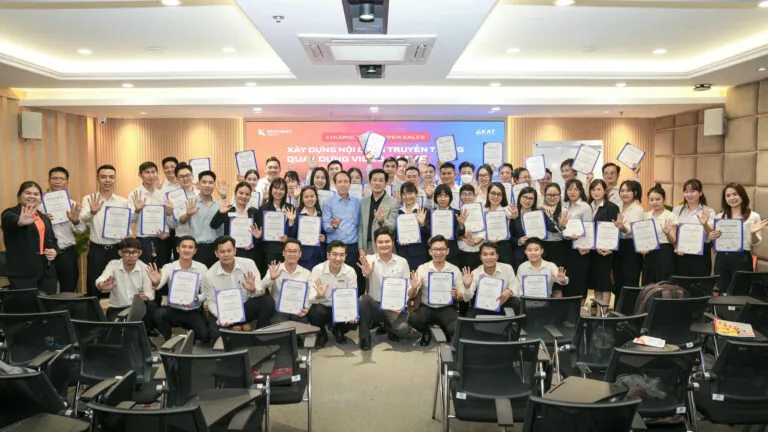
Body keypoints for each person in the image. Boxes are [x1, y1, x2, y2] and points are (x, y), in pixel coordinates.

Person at [201, 236, 275, 341]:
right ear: (216, 253)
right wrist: (222, 317)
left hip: (244, 308)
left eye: (229, 251)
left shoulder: (248, 264)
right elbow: (211, 302)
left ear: (235, 251)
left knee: (268, 301)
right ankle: (237, 333)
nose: (226, 254)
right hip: (224, 311)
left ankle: (259, 337)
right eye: (222, 252)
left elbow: (261, 291)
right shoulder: (209, 275)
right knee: (214, 333)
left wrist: (253, 289)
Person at [409, 235, 473, 345]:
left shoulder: (454, 270)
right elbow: (411, 295)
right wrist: (414, 287)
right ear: (430, 252)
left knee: (456, 328)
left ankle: (444, 328)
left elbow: (463, 297)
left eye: (442, 249)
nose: (438, 253)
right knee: (414, 319)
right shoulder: (423, 268)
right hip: (427, 307)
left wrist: (458, 295)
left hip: (446, 308)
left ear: (447, 251)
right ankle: (426, 332)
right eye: (435, 249)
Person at [357, 227, 414, 351]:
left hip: (395, 307)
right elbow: (366, 272)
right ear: (375, 244)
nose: (384, 245)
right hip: (376, 306)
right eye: (380, 242)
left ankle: (389, 326)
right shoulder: (369, 259)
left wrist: (403, 304)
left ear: (393, 243)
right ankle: (364, 337)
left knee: (403, 329)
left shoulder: (402, 262)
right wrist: (367, 272)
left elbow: (407, 286)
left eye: (387, 241)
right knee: (363, 300)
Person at [148, 236, 210, 343]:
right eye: (184, 247)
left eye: (190, 247)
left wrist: (196, 298)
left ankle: (191, 333)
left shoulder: (202, 268)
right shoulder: (169, 267)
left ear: (195, 251)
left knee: (204, 337)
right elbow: (159, 285)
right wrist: (156, 281)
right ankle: (169, 337)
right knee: (158, 314)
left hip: (193, 310)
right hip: (174, 310)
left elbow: (206, 293)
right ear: (177, 249)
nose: (187, 250)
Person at [80, 165, 130, 297]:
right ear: (97, 179)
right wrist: (92, 212)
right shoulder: (89, 199)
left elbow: (126, 224)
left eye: (111, 177)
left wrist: (127, 235)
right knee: (93, 285)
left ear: (115, 179)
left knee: (118, 285)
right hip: (97, 249)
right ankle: (94, 310)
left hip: (117, 249)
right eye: (103, 177)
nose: (107, 180)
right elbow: (82, 219)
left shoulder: (123, 202)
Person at [2, 181, 59, 293]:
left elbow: (52, 240)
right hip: (22, 274)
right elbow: (11, 221)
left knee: (47, 303)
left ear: (40, 198)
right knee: (26, 304)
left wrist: (54, 251)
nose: (32, 196)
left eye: (36, 194)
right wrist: (20, 222)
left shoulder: (44, 218)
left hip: (47, 273)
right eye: (28, 193)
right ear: (19, 196)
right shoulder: (9, 213)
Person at [711, 183, 768, 290]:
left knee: (740, 293)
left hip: (742, 259)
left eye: (735, 194)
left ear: (742, 195)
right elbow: (716, 242)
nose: (732, 198)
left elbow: (755, 243)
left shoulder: (753, 216)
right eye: (728, 196)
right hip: (722, 259)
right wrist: (712, 237)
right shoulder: (720, 216)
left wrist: (753, 233)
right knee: (721, 293)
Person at [95, 238, 157, 331]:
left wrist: (146, 297)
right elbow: (101, 279)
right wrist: (102, 285)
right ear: (120, 253)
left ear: (140, 253)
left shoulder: (145, 268)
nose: (131, 256)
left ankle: (146, 333)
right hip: (117, 308)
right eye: (127, 252)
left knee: (151, 305)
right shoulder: (113, 265)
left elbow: (150, 293)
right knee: (116, 333)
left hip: (137, 308)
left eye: (134, 252)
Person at [308, 241, 360, 346]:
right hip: (324, 307)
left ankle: (338, 330)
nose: (338, 258)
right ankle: (322, 334)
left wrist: (352, 313)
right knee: (314, 312)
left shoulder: (350, 271)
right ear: (328, 255)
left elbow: (352, 297)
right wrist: (319, 295)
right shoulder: (317, 270)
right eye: (334, 254)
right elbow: (310, 298)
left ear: (345, 256)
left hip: (342, 308)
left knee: (356, 319)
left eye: (342, 255)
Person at [170, 170, 226, 267]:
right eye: (204, 182)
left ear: (214, 185)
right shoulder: (191, 202)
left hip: (216, 248)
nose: (207, 185)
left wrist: (224, 198)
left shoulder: (219, 205)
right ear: (198, 185)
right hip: (198, 247)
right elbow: (181, 221)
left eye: (210, 183)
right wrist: (188, 214)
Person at [45, 167, 85, 293]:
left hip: (67, 252)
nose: (58, 181)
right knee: (47, 290)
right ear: (49, 181)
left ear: (67, 181)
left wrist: (75, 221)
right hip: (46, 254)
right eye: (55, 178)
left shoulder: (73, 204)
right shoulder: (39, 204)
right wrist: (42, 220)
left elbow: (81, 230)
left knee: (68, 290)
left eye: (61, 179)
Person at [129, 161, 170, 271]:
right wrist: (137, 210)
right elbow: (131, 220)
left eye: (153, 172)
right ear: (140, 175)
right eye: (147, 172)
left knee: (161, 270)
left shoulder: (162, 194)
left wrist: (166, 232)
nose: (151, 175)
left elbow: (165, 217)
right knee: (145, 271)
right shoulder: (134, 194)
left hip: (161, 238)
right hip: (143, 239)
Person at [322, 171, 362, 282]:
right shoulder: (328, 202)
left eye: (345, 181)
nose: (343, 184)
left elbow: (359, 224)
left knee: (352, 278)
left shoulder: (356, 202)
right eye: (339, 182)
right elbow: (325, 225)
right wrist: (333, 226)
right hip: (335, 248)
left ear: (350, 183)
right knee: (334, 279)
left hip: (353, 247)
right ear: (335, 184)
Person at [262, 239, 312, 326]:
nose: (292, 254)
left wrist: (306, 308)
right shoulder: (274, 269)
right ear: (283, 253)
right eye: (289, 251)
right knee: (281, 331)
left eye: (295, 251)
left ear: (300, 254)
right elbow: (262, 286)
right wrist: (271, 278)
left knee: (304, 331)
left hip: (299, 311)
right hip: (279, 311)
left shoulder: (306, 273)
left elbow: (309, 294)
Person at [673, 179, 715, 277]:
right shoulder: (677, 210)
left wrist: (704, 224)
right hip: (682, 254)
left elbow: (711, 234)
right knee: (682, 283)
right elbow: (674, 233)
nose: (689, 195)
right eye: (686, 192)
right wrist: (676, 246)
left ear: (700, 193)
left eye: (692, 191)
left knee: (700, 283)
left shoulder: (708, 211)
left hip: (701, 254)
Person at [588, 179, 620, 306]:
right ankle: (598, 312)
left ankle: (603, 313)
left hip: (604, 250)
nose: (596, 192)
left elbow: (614, 229)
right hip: (591, 250)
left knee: (604, 281)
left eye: (599, 189)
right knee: (596, 282)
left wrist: (610, 248)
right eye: (593, 189)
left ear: (605, 191)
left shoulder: (611, 207)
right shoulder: (588, 206)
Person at [468, 242, 521, 315]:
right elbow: (468, 297)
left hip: (503, 302)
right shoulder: (475, 273)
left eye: (492, 254)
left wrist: (509, 291)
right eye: (485, 254)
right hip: (483, 305)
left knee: (515, 303)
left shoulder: (507, 268)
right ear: (480, 257)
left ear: (497, 256)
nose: (489, 257)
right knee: (470, 315)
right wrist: (467, 286)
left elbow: (515, 287)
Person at [510, 187, 556, 271]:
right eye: (525, 197)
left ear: (534, 201)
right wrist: (518, 241)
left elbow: (552, 228)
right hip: (520, 256)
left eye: (531, 198)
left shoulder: (539, 213)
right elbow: (510, 236)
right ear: (520, 197)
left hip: (538, 255)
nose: (527, 201)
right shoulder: (513, 214)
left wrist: (560, 224)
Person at [209, 182, 259, 260]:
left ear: (250, 196)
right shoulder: (228, 209)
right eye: (241, 193)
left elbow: (258, 234)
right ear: (235, 194)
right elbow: (213, 225)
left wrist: (254, 243)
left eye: (247, 194)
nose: (243, 196)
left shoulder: (255, 212)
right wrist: (220, 212)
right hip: (229, 253)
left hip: (249, 253)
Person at [561, 179, 593, 299]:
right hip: (565, 246)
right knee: (567, 281)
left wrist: (581, 246)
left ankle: (579, 310)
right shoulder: (564, 206)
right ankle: (567, 310)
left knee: (578, 281)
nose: (572, 192)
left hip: (579, 248)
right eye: (569, 189)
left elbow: (588, 229)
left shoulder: (585, 207)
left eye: (575, 189)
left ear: (581, 191)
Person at [612, 180, 645, 295]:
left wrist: (623, 228)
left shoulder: (638, 210)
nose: (624, 193)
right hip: (618, 245)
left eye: (628, 191)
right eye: (622, 191)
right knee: (618, 280)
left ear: (635, 193)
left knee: (630, 281)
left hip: (631, 246)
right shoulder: (617, 207)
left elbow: (633, 230)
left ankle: (629, 307)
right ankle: (618, 306)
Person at [641, 184, 678, 284]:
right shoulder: (646, 216)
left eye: (658, 199)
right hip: (649, 254)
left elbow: (673, 240)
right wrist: (642, 247)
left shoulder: (670, 215)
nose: (654, 202)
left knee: (664, 285)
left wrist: (667, 233)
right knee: (648, 285)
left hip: (665, 254)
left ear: (664, 200)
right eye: (651, 199)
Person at [358, 169, 399, 257]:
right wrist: (361, 248)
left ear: (386, 183)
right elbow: (361, 227)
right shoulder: (363, 201)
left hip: (385, 247)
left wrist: (381, 221)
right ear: (370, 182)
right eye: (374, 180)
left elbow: (392, 226)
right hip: (367, 248)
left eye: (381, 180)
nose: (377, 183)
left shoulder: (394, 202)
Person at [286, 186, 327, 271]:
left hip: (320, 256)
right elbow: (291, 235)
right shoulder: (296, 214)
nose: (309, 199)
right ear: (302, 199)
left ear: (316, 197)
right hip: (304, 256)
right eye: (306, 197)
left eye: (312, 196)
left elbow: (326, 232)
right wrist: (291, 221)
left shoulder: (321, 214)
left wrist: (324, 238)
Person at [396, 181, 431, 271]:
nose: (408, 197)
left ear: (416, 194)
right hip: (402, 253)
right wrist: (399, 239)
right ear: (401, 196)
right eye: (404, 194)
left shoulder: (423, 211)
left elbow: (429, 234)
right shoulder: (398, 212)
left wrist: (422, 224)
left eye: (410, 193)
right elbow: (394, 233)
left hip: (420, 254)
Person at [432, 184, 467, 268]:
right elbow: (426, 232)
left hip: (452, 253)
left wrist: (461, 225)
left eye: (446, 196)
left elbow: (459, 234)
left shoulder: (457, 213)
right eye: (439, 196)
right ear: (435, 198)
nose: (443, 199)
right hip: (434, 253)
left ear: (450, 197)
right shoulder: (430, 214)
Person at [484, 182, 516, 265]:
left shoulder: (507, 209)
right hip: (486, 247)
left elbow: (512, 215)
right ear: (488, 194)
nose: (495, 197)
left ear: (503, 196)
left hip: (503, 247)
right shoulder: (483, 209)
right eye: (493, 193)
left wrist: (514, 215)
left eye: (499, 194)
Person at [540, 183, 566, 267]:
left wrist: (561, 226)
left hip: (558, 247)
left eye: (555, 195)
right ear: (545, 195)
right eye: (549, 195)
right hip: (541, 246)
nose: (552, 198)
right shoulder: (540, 210)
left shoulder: (564, 211)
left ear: (560, 195)